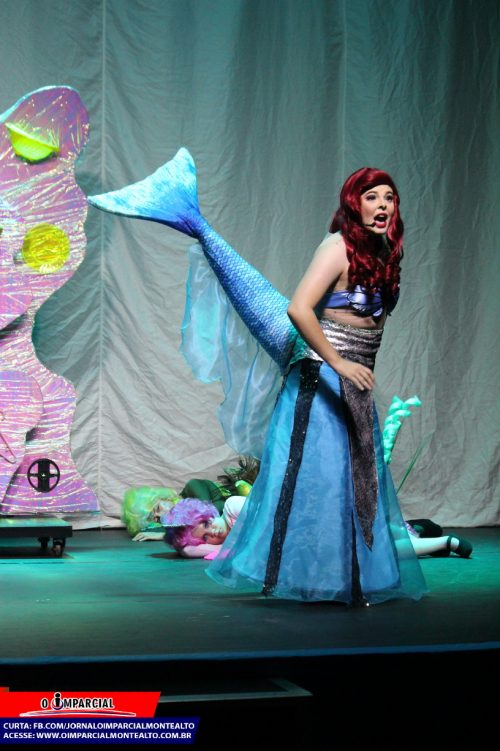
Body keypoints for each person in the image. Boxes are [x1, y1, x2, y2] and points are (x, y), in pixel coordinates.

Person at [207, 168, 428, 605]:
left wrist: (357, 365)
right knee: (320, 478)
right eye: (372, 197)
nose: (383, 205)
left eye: (389, 198)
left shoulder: (385, 254)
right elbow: (299, 308)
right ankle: (307, 576)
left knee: (356, 477)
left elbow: (372, 322)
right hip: (319, 376)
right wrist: (339, 362)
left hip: (355, 379)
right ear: (354, 203)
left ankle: (350, 577)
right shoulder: (337, 247)